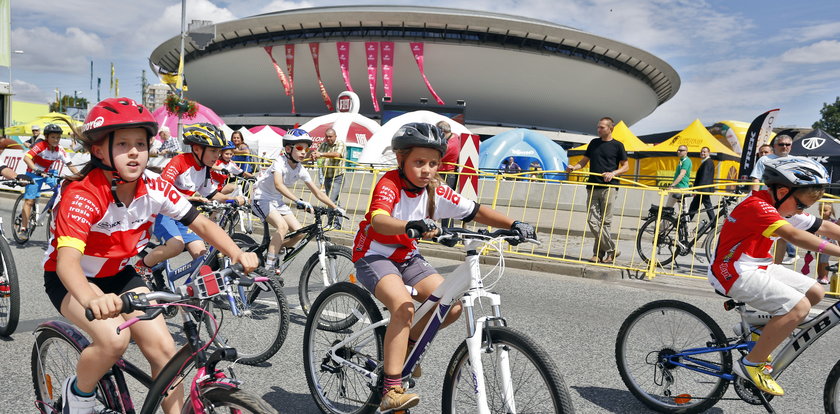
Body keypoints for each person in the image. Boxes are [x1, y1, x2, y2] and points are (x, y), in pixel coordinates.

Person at [43, 97, 259, 413]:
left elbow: (199, 223)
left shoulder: (154, 185)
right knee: (113, 342)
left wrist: (238, 252)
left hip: (119, 274)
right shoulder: (84, 193)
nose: (135, 152)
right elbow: (67, 263)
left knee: (165, 352)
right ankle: (78, 395)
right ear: (99, 150)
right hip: (73, 280)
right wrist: (91, 300)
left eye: (141, 144)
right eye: (124, 144)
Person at [351, 122, 536, 412]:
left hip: (407, 256)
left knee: (450, 306)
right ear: (401, 160)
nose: (426, 170)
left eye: (433, 163)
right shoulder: (390, 184)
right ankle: (390, 389)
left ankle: (407, 347)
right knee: (404, 307)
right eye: (419, 162)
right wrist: (410, 225)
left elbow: (475, 211)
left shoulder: (436, 192)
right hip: (374, 254)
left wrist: (513, 224)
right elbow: (378, 220)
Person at [708, 157, 840, 396]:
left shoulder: (780, 205)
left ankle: (759, 327)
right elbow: (795, 236)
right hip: (732, 270)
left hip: (758, 266)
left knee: (816, 292)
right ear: (782, 191)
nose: (802, 211)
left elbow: (826, 228)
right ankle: (750, 365)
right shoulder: (758, 207)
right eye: (801, 206)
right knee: (798, 308)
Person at [136, 123, 245, 283]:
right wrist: (189, 199)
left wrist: (234, 200)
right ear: (197, 149)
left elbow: (212, 194)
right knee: (176, 246)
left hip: (184, 215)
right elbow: (162, 190)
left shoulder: (205, 168)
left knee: (202, 255)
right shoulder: (179, 161)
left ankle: (193, 295)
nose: (217, 156)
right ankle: (142, 266)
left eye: (219, 151)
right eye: (213, 151)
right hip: (163, 213)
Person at [251, 128, 344, 272]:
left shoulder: (300, 168)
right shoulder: (280, 162)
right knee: (282, 226)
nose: (304, 152)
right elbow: (278, 184)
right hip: (261, 198)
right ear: (288, 148)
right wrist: (298, 200)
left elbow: (317, 192)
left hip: (276, 201)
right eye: (300, 148)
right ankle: (269, 268)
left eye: (306, 149)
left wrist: (335, 207)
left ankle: (274, 248)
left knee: (300, 232)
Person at [567, 117, 629, 264]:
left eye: (602, 127)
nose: (598, 130)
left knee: (605, 223)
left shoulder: (618, 145)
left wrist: (613, 173)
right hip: (593, 186)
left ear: (610, 128)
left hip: (609, 187)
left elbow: (626, 166)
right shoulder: (594, 143)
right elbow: (584, 161)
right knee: (592, 220)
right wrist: (574, 167)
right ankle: (613, 250)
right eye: (598, 127)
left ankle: (598, 254)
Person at [20, 123, 79, 238]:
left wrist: (80, 176)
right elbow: (26, 158)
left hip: (48, 173)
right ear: (47, 137)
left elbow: (70, 164)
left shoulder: (60, 150)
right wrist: (36, 169)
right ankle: (24, 227)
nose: (56, 140)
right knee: (29, 201)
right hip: (33, 173)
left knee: (61, 189)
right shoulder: (41, 145)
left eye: (58, 137)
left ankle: (52, 209)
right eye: (53, 137)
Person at [750, 133, 799, 264]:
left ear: (791, 146)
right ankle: (756, 261)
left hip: (786, 203)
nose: (784, 147)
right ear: (775, 146)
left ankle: (776, 267)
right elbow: (756, 178)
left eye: (787, 144)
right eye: (781, 144)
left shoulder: (795, 160)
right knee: (760, 233)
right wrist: (754, 198)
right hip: (767, 201)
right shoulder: (765, 159)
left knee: (782, 235)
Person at [311, 127, 347, 228]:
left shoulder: (340, 144)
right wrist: (314, 154)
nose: (328, 138)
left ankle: (332, 224)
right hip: (327, 176)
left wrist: (321, 154)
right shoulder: (323, 144)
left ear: (335, 136)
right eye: (326, 137)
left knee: (331, 200)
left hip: (337, 176)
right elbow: (317, 152)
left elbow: (337, 154)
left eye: (330, 136)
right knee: (334, 200)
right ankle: (336, 223)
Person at [687, 146, 716, 223]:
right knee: (695, 206)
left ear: (708, 153)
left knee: (707, 207)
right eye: (701, 152)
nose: (702, 153)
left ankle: (714, 224)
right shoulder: (707, 162)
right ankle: (686, 221)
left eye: (704, 152)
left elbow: (704, 177)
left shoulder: (707, 162)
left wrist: (697, 189)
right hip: (703, 189)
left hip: (703, 189)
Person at [664, 145, 692, 210]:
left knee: (683, 209)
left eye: (681, 150)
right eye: (678, 150)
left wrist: (672, 185)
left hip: (681, 188)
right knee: (668, 207)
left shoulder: (686, 161)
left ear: (686, 152)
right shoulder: (681, 160)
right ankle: (665, 220)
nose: (679, 152)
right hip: (677, 187)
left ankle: (684, 220)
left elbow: (682, 174)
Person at [816, 202, 838, 285]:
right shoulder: (817, 221)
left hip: (828, 244)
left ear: (831, 211)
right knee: (819, 260)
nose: (822, 212)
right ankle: (820, 276)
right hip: (818, 243)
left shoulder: (833, 222)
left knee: (824, 260)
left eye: (825, 210)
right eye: (820, 210)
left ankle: (825, 276)